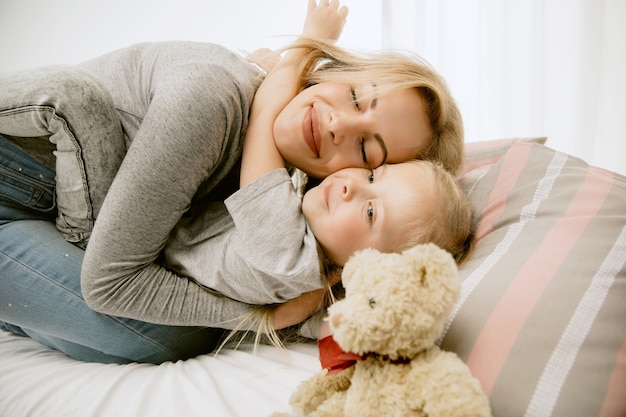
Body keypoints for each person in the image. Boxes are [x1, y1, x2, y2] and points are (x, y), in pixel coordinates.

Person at [0, 0, 465, 364]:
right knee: (167, 331)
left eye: (367, 153)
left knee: (177, 335)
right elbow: (109, 282)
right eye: (355, 94)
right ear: (334, 71)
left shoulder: (300, 201)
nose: (337, 124)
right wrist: (267, 316)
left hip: (65, 202)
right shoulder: (214, 99)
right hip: (22, 172)